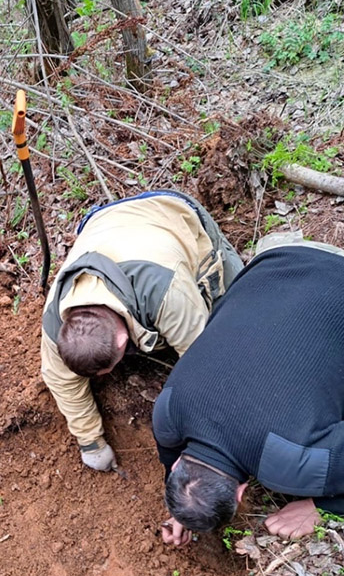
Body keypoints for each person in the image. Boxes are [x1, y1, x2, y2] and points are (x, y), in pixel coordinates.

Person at [152, 232, 344, 546]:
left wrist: (319, 506)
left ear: (240, 492)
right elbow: (175, 463)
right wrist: (187, 508)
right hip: (282, 255)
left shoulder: (291, 460)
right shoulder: (167, 413)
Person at [41, 190, 244, 472]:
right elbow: (62, 382)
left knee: (241, 307)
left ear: (124, 339)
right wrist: (91, 443)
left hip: (170, 212)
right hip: (102, 223)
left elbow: (207, 367)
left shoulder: (167, 293)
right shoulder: (56, 316)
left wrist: (206, 444)